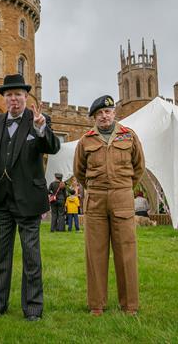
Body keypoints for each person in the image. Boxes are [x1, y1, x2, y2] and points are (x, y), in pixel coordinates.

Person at [0, 74, 60, 322]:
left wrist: (42, 127)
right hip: (0, 200)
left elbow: (53, 147)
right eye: (9, 95)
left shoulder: (38, 121)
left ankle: (33, 309)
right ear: (4, 98)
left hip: (29, 201)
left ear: (26, 97)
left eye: (19, 94)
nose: (14, 99)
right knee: (0, 255)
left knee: (31, 256)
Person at [73, 95, 145, 316]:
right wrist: (97, 188)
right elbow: (79, 171)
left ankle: (129, 305)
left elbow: (139, 167)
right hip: (95, 200)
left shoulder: (129, 136)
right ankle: (97, 304)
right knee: (95, 252)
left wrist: (122, 187)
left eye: (108, 112)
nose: (104, 116)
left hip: (122, 197)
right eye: (100, 113)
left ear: (114, 113)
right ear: (94, 117)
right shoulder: (86, 140)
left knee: (126, 251)